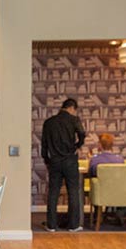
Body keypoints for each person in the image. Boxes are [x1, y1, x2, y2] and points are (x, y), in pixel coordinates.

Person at [41, 98, 86, 231]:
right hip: (70, 160)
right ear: (72, 108)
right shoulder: (74, 120)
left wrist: (46, 160)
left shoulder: (49, 122)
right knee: (73, 191)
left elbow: (44, 144)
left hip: (54, 160)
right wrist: (77, 145)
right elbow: (82, 133)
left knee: (53, 191)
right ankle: (73, 225)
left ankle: (51, 225)